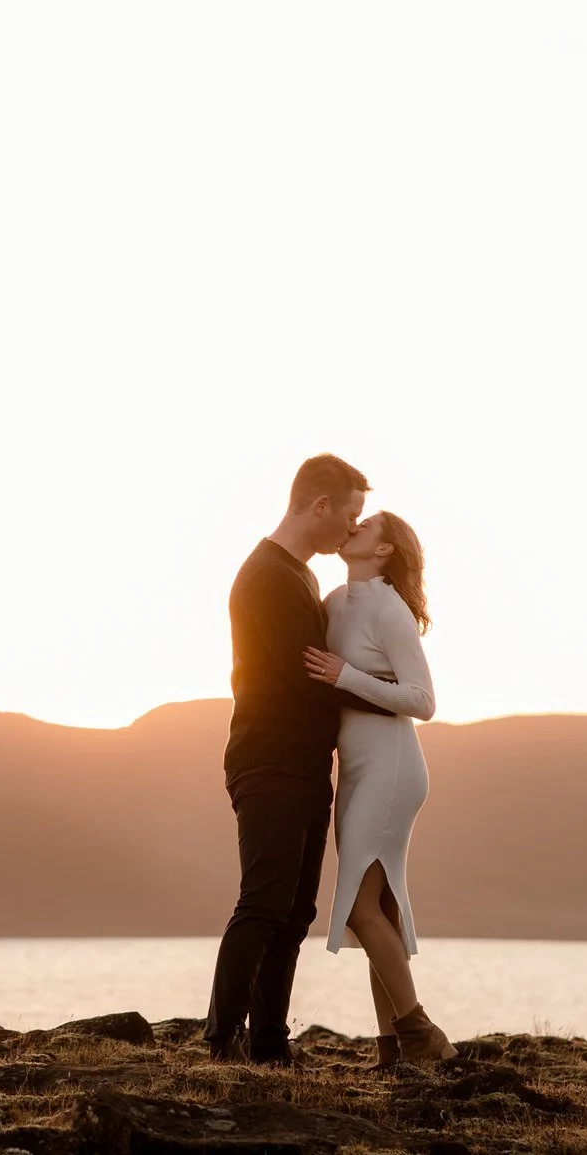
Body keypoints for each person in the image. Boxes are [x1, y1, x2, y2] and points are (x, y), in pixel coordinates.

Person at [204, 454, 392, 1064]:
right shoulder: (269, 577)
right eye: (350, 515)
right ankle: (221, 1041)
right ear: (320, 507)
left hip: (305, 765)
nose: (350, 529)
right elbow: (307, 678)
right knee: (263, 901)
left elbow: (318, 675)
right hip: (270, 762)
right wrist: (391, 700)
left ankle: (268, 1043)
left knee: (295, 910)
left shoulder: (299, 576)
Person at [303, 511, 458, 1065]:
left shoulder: (389, 608)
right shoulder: (333, 603)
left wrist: (345, 676)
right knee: (379, 914)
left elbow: (423, 701)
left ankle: (422, 1035)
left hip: (392, 768)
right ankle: (393, 1048)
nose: (353, 526)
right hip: (355, 768)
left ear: (385, 548)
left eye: (365, 524)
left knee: (360, 909)